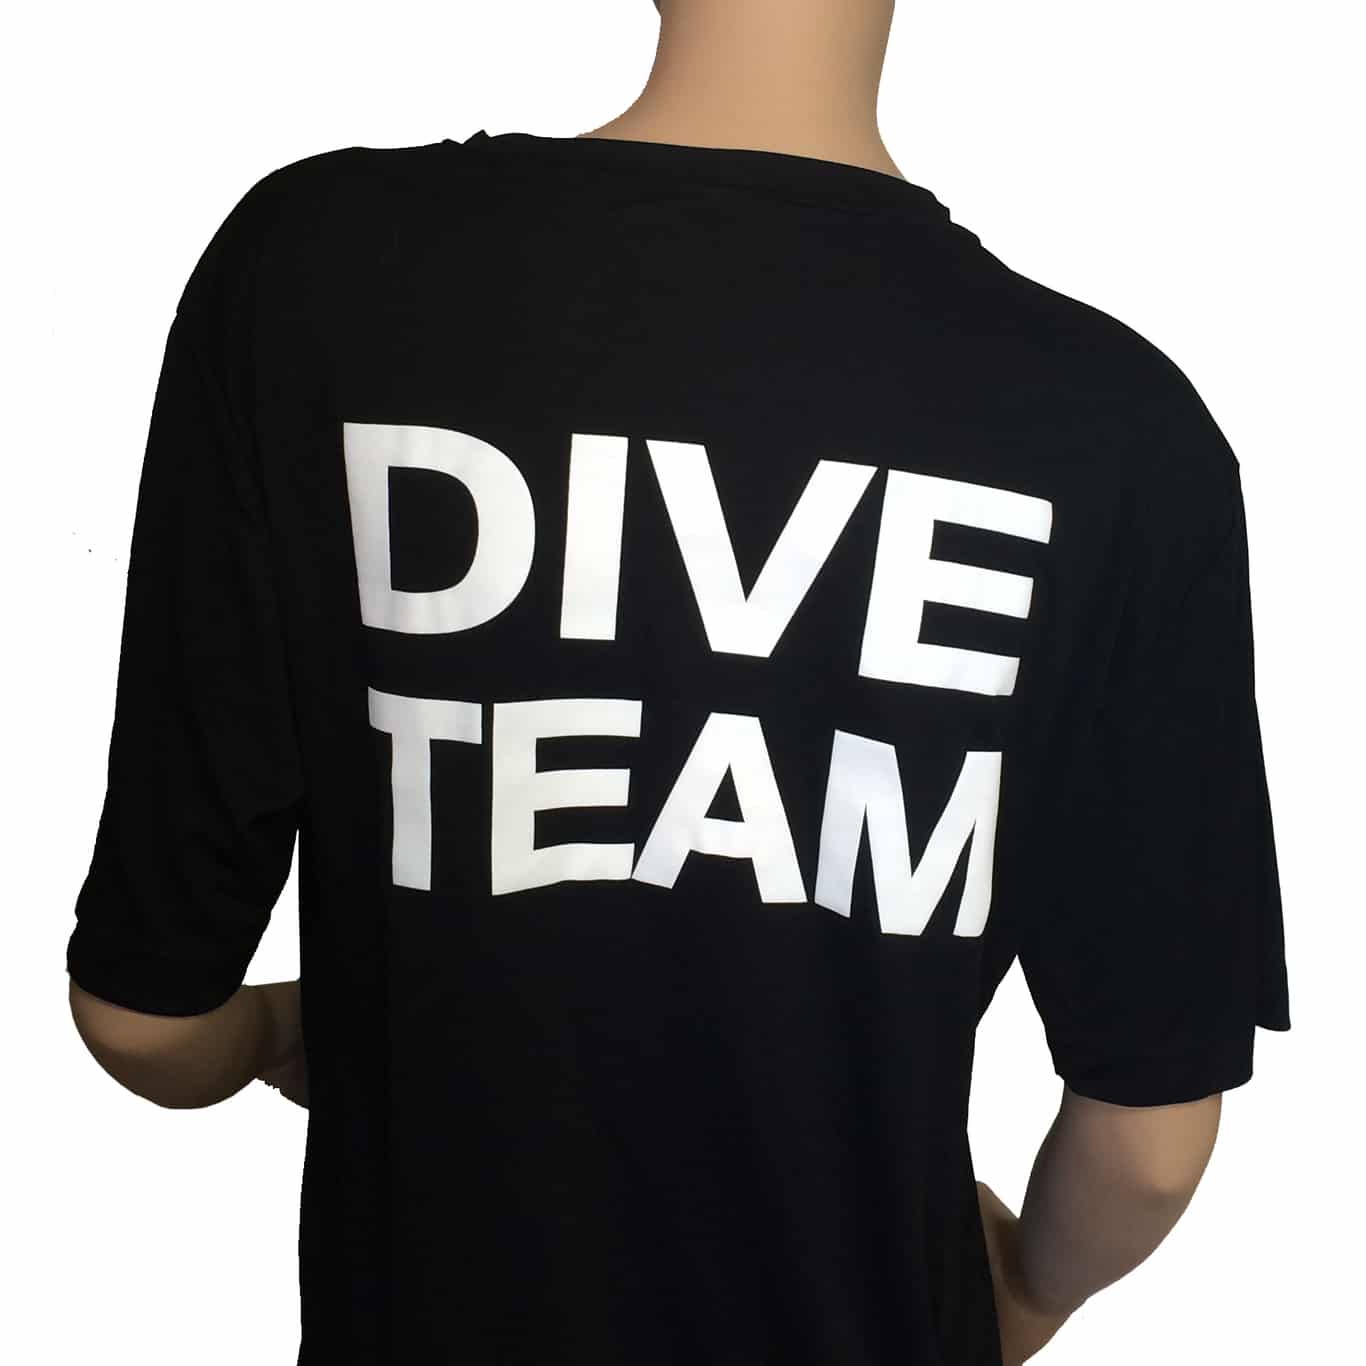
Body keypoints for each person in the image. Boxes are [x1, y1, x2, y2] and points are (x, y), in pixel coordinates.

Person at [65, 1, 1292, 1362]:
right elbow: (1148, 1146)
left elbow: (142, 1018)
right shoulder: (1123, 433)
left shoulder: (315, 272)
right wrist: (1027, 1291)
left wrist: (282, 1031)